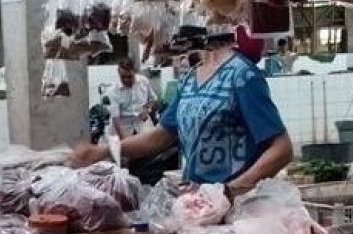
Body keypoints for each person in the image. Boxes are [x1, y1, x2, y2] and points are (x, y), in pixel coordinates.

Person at [73, 32, 293, 195]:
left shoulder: (243, 75)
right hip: (196, 201)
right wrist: (105, 151)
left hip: (238, 209)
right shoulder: (189, 79)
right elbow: (160, 136)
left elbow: (282, 149)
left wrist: (232, 190)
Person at [109, 58, 157, 137]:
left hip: (141, 121)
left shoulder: (144, 81)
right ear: (119, 74)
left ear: (134, 72)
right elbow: (115, 117)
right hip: (122, 123)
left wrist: (147, 108)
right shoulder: (114, 90)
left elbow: (153, 99)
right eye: (123, 77)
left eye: (129, 76)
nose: (126, 80)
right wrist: (124, 139)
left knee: (151, 143)